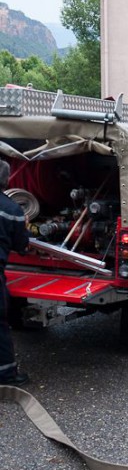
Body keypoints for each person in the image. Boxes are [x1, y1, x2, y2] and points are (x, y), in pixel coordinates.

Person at [0, 160, 30, 386]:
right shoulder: (13, 210)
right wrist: (25, 226)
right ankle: (7, 374)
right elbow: (22, 246)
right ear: (6, 180)